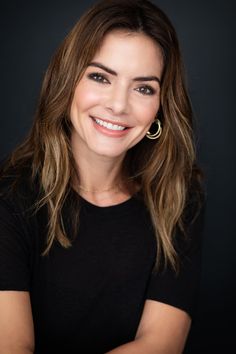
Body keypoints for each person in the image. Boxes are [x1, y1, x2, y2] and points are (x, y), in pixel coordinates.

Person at [0, 0, 204, 353]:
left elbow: (161, 343)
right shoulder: (8, 198)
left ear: (161, 105)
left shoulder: (178, 196)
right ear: (67, 84)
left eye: (143, 88)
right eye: (99, 77)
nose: (119, 105)